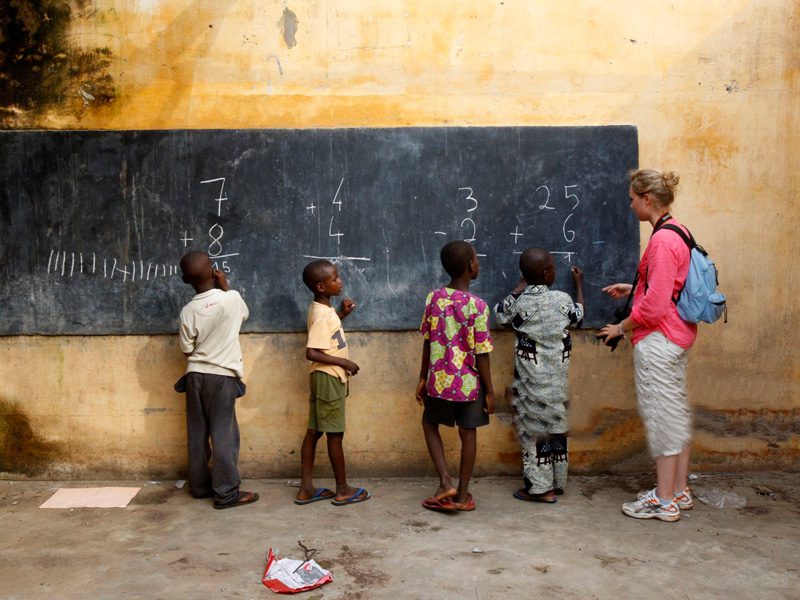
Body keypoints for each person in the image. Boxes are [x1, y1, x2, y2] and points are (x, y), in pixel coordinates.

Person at [598, 169, 697, 522]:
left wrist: (620, 327)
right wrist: (634, 288)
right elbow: (668, 287)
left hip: (659, 341)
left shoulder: (662, 240)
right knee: (675, 414)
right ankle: (679, 490)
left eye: (632, 199)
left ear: (647, 199)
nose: (630, 205)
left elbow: (654, 309)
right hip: (677, 336)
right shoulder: (679, 231)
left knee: (662, 418)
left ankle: (664, 501)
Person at [495, 249, 584, 503]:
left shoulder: (519, 304)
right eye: (553, 268)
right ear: (547, 274)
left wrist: (518, 288)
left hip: (531, 388)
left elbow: (500, 314)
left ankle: (541, 487)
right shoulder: (562, 300)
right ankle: (554, 484)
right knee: (557, 429)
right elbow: (578, 316)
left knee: (535, 434)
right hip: (558, 386)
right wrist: (579, 285)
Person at [415, 240, 495, 512]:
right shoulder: (478, 306)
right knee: (467, 432)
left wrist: (423, 377)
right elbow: (482, 353)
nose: (478, 263)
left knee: (429, 423)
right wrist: (490, 391)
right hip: (469, 383)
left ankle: (444, 481)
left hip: (439, 378)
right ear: (471, 265)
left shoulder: (434, 298)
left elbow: (428, 340)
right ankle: (461, 495)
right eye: (477, 259)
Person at [178, 251, 258, 509]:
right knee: (224, 434)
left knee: (197, 433)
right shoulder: (231, 299)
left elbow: (187, 348)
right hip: (221, 376)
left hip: (194, 376)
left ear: (185, 280)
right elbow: (244, 314)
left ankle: (200, 487)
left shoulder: (188, 311)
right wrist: (226, 286)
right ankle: (226, 493)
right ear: (214, 271)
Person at [295, 259, 370, 506]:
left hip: (322, 377)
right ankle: (343, 489)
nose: (340, 281)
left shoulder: (322, 310)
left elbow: (326, 333)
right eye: (335, 278)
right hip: (329, 378)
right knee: (335, 435)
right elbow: (312, 352)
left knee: (314, 431)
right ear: (321, 286)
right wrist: (344, 363)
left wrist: (341, 314)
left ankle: (306, 488)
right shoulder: (321, 315)